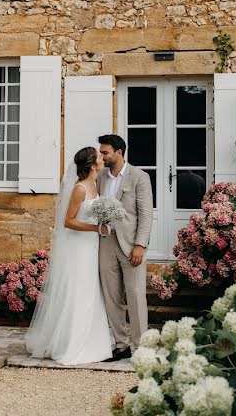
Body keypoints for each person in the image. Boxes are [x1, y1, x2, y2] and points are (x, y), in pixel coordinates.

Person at [24, 146, 114, 365]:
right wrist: (95, 229)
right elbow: (68, 221)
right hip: (78, 247)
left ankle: (94, 342)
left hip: (91, 246)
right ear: (92, 166)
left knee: (90, 290)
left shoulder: (95, 184)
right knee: (78, 290)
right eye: (98, 157)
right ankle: (72, 343)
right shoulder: (80, 189)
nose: (102, 159)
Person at [97, 134, 153, 360]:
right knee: (111, 296)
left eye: (105, 152)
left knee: (136, 295)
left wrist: (140, 245)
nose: (102, 156)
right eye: (101, 152)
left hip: (131, 245)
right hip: (106, 243)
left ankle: (141, 347)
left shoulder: (139, 177)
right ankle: (121, 345)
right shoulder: (100, 177)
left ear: (119, 152)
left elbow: (146, 214)